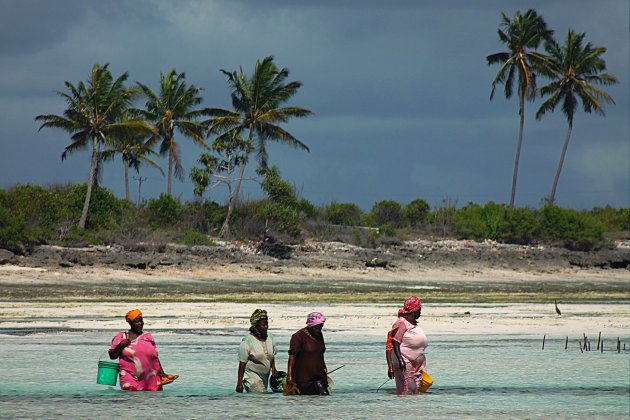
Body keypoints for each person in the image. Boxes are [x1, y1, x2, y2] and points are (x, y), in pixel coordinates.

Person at [108, 309, 178, 391]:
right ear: (130, 323)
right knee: (130, 398)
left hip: (151, 378)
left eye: (141, 321)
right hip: (130, 377)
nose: (140, 323)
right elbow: (112, 356)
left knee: (151, 401)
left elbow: (155, 357)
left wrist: (162, 373)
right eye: (137, 322)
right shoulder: (121, 337)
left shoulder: (148, 337)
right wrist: (121, 345)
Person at [391, 296, 428, 395]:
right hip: (404, 360)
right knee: (407, 388)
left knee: (416, 390)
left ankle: (413, 410)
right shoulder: (401, 323)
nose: (420, 312)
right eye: (419, 310)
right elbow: (395, 342)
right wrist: (400, 360)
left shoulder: (413, 323)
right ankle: (403, 409)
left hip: (416, 362)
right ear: (413, 311)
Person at [286, 312, 329, 395]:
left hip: (319, 377)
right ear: (310, 325)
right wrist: (289, 376)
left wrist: (324, 367)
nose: (318, 330)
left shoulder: (319, 334)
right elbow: (292, 356)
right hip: (303, 379)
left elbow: (320, 354)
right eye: (316, 327)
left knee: (324, 400)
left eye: (321, 327)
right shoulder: (298, 336)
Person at [236, 309, 278, 393]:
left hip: (264, 377)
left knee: (262, 400)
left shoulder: (270, 337)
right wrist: (239, 383)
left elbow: (271, 355)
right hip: (251, 377)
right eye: (263, 325)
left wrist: (273, 368)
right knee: (261, 395)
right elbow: (242, 363)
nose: (266, 327)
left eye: (267, 324)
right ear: (256, 326)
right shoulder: (247, 342)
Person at [386, 309, 404, 380]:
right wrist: (390, 368)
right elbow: (388, 350)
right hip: (398, 363)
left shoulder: (410, 330)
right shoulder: (392, 333)